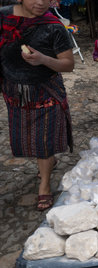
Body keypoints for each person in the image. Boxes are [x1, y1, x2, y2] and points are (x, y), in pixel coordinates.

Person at [0, 0, 74, 210]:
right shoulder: (4, 17)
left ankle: (44, 185)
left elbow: (68, 64)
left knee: (44, 140)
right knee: (28, 138)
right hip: (15, 92)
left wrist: (43, 59)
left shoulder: (53, 26)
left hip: (46, 91)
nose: (41, 2)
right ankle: (46, 162)